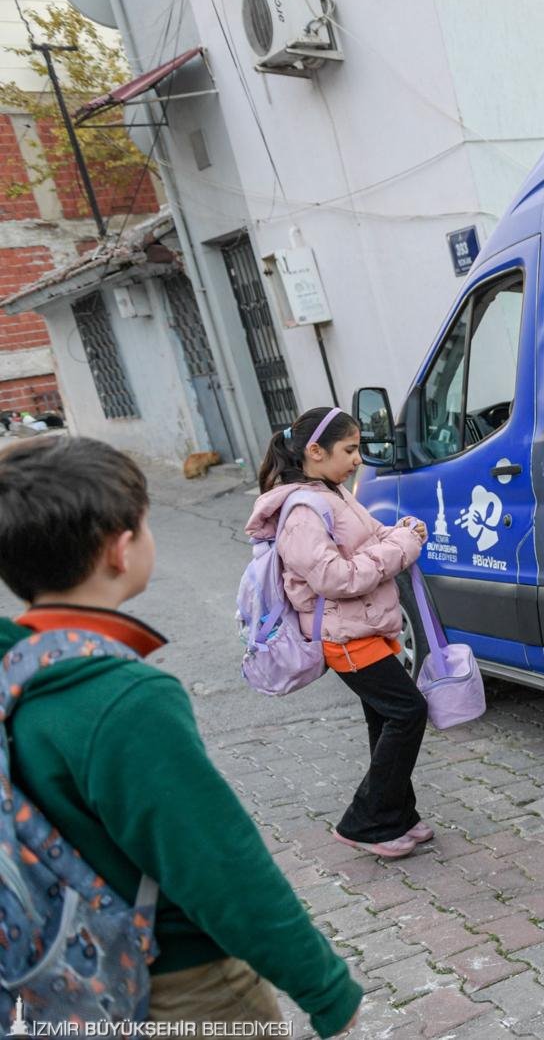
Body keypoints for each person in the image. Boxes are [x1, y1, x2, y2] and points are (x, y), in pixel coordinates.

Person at [0, 437, 361, 1035]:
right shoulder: (123, 700)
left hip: (66, 979)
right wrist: (326, 990)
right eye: (145, 524)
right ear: (121, 550)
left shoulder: (18, 673)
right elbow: (218, 863)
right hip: (183, 987)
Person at [246, 406, 429, 859]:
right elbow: (337, 579)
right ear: (314, 451)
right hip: (344, 636)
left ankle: (396, 817)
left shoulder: (332, 493)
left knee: (385, 717)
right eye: (349, 449)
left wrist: (400, 531)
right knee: (407, 712)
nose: (358, 459)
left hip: (365, 627)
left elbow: (370, 538)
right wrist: (402, 545)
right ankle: (365, 821)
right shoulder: (303, 511)